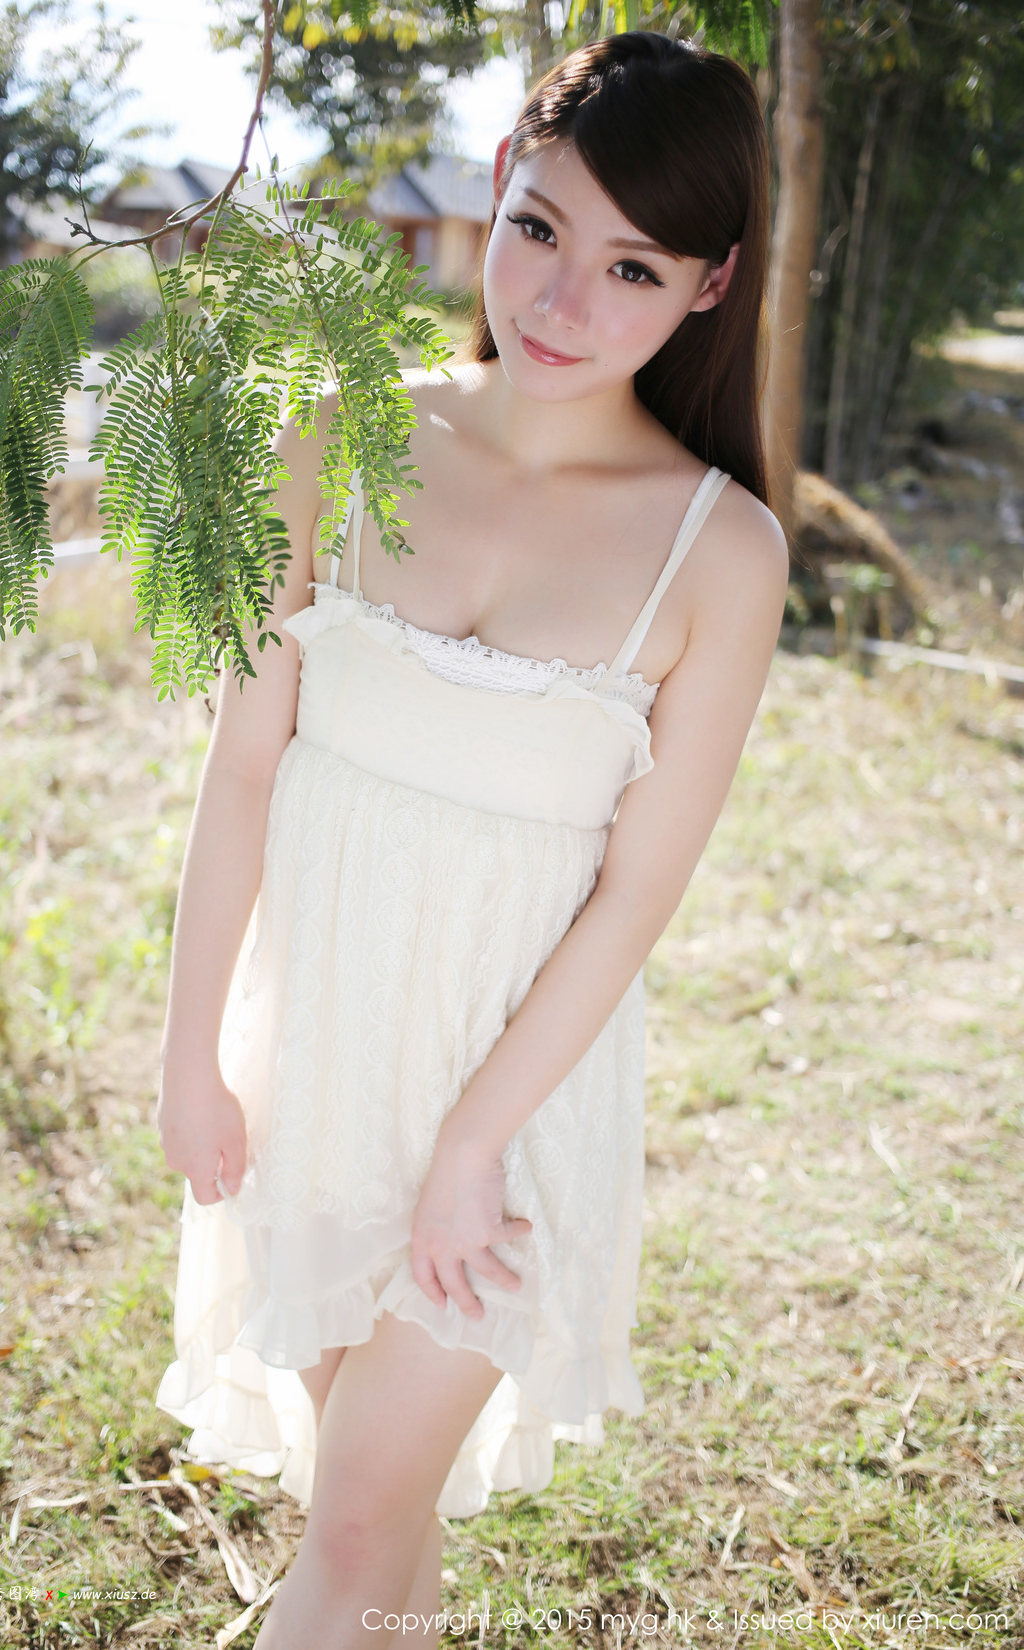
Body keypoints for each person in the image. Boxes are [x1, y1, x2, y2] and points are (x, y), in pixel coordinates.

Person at [154, 29, 788, 1649]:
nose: (563, 302)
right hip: (316, 1056)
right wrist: (191, 1050)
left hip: (517, 1106)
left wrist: (470, 1148)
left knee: (361, 1516)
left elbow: (634, 897)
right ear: (498, 184)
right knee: (369, 1516)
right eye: (540, 229)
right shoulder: (337, 431)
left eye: (633, 268)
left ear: (710, 284)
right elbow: (243, 767)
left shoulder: (721, 553)